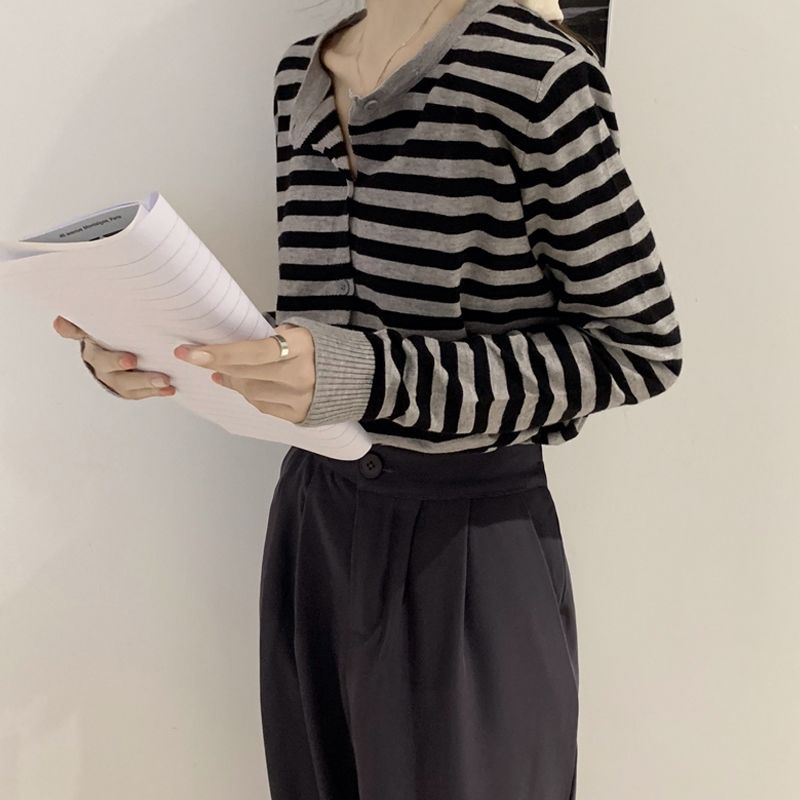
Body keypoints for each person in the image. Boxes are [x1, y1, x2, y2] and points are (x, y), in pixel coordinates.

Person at [55, 0, 683, 796]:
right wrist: (150, 346)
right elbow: (330, 340)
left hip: (467, 541)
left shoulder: (536, 74)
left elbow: (636, 348)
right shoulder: (302, 75)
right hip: (313, 520)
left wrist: (364, 374)